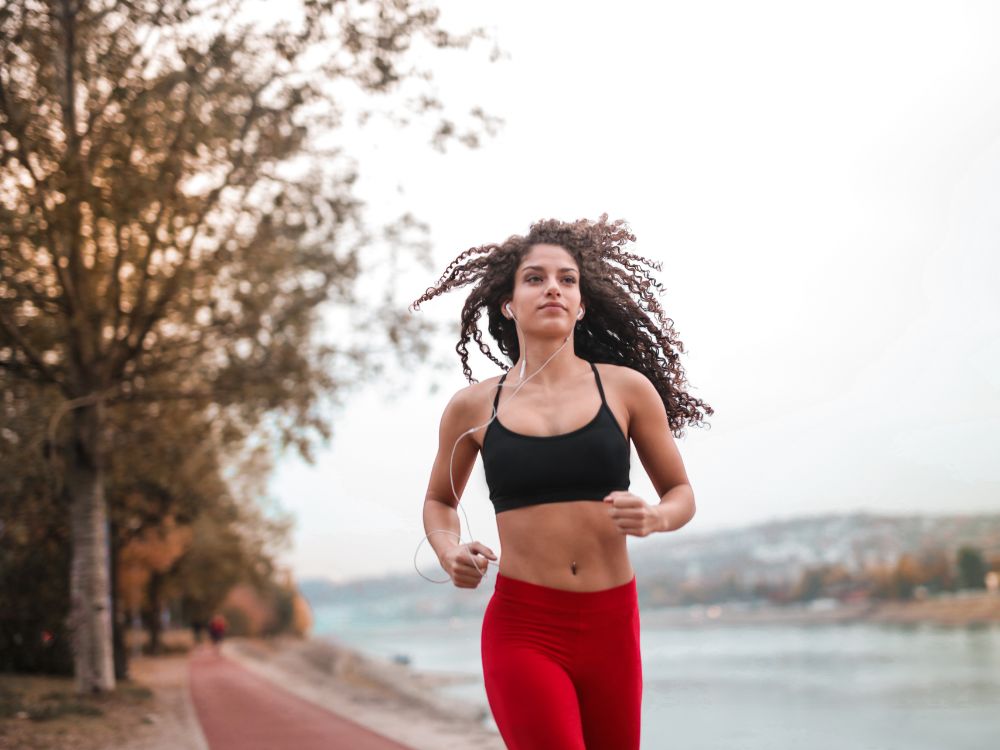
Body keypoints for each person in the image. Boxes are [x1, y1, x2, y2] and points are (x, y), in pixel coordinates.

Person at [411, 215, 713, 749]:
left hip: (612, 625)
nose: (553, 287)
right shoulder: (473, 406)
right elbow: (440, 500)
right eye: (535, 278)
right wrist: (448, 550)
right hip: (524, 627)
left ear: (581, 304)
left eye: (566, 279)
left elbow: (680, 493)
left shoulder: (626, 390)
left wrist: (655, 517)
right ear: (508, 303)